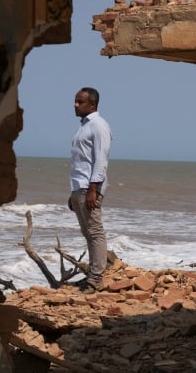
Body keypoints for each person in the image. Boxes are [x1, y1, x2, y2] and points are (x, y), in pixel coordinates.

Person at [68, 87, 112, 293]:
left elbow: (100, 161)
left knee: (95, 232)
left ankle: (96, 279)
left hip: (90, 187)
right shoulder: (83, 126)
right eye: (75, 101)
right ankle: (92, 276)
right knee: (87, 233)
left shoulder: (98, 126)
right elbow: (81, 162)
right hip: (80, 187)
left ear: (92, 104)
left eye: (80, 102)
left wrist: (93, 189)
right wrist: (73, 193)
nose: (75, 105)